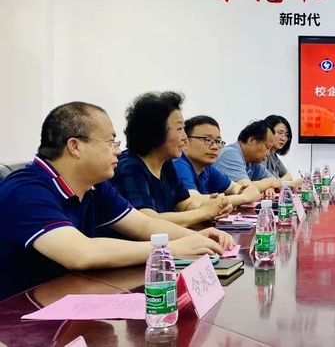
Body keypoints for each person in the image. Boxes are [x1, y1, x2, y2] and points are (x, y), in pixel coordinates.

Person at [0, 102, 233, 299]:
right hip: (17, 315)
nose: (118, 151)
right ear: (75, 146)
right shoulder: (26, 190)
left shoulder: (95, 186)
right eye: (111, 142)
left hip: (67, 298)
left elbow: (143, 225)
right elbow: (80, 253)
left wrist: (196, 238)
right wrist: (169, 249)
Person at [111, 91, 231, 227]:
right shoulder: (129, 167)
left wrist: (213, 207)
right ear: (155, 132)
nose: (185, 137)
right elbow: (148, 220)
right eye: (179, 129)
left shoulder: (166, 163)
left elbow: (185, 205)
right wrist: (203, 212)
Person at [173, 115, 261, 206]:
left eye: (218, 141)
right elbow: (192, 201)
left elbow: (235, 188)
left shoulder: (207, 168)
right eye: (208, 140)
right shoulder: (178, 164)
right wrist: (244, 197)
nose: (215, 147)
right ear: (185, 142)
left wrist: (244, 192)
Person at [213, 119, 283, 195]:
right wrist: (270, 183)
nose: (268, 154)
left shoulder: (252, 161)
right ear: (251, 140)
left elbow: (275, 181)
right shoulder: (230, 154)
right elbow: (245, 189)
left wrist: (269, 187)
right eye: (267, 147)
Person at [263, 114, 303, 188]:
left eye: (287, 135)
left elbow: (288, 175)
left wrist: (279, 182)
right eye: (280, 133)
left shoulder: (274, 155)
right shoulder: (262, 155)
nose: (284, 138)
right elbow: (265, 182)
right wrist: (290, 183)